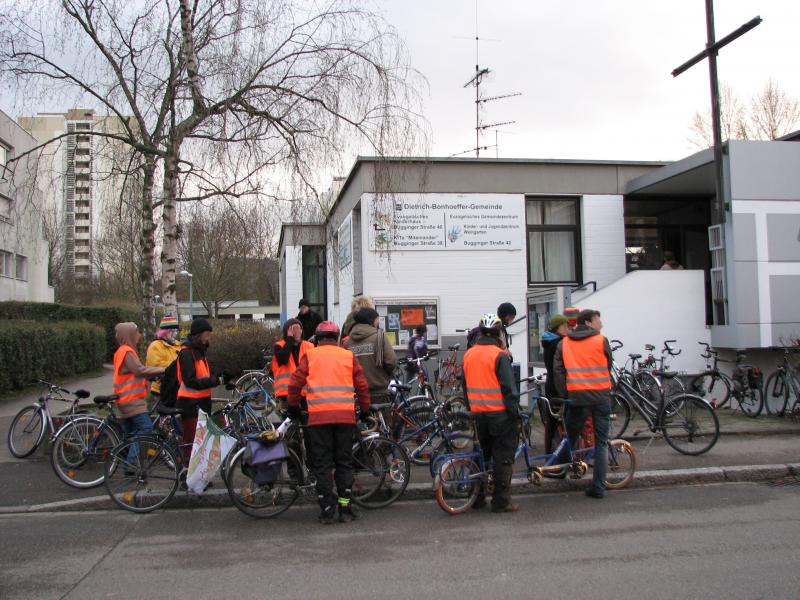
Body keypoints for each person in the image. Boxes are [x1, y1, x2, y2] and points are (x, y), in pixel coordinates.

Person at [287, 321, 372, 524]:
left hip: (318, 419)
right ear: (336, 338)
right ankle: (345, 507)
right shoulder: (348, 356)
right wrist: (365, 410)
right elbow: (362, 385)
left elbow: (295, 383)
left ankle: (327, 509)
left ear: (317, 338)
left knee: (322, 463)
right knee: (344, 463)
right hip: (344, 417)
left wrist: (293, 408)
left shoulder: (311, 355)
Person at [462, 313, 521, 512]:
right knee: (502, 457)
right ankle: (501, 501)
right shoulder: (499, 355)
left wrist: (471, 408)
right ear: (498, 334)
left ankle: (476, 498)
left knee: (480, 456)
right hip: (499, 415)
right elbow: (509, 389)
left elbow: (464, 386)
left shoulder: (469, 354)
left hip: (478, 415)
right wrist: (515, 413)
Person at [553, 309, 614, 499]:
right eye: (598, 320)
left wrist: (565, 393)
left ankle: (559, 470)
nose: (601, 324)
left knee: (570, 436)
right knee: (601, 443)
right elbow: (609, 364)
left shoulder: (565, 343)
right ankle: (598, 487)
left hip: (577, 398)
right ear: (588, 322)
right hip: (601, 397)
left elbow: (558, 371)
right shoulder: (601, 340)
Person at [112, 322, 165, 463]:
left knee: (130, 435)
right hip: (132, 400)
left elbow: (133, 373)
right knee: (146, 428)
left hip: (125, 399)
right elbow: (139, 370)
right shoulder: (127, 352)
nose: (139, 336)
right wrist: (163, 370)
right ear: (129, 335)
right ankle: (132, 463)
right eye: (137, 333)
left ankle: (129, 469)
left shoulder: (122, 351)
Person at [176, 318, 226, 462]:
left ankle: (197, 476)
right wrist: (215, 381)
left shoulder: (199, 352)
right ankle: (189, 476)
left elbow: (202, 376)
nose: (208, 337)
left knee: (200, 443)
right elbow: (190, 381)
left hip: (201, 403)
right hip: (190, 404)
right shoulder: (187, 353)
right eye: (206, 333)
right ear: (198, 334)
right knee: (192, 443)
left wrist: (218, 377)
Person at [344, 307, 397, 421]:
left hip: (356, 395)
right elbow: (391, 362)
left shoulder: (347, 343)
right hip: (379, 393)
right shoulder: (379, 337)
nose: (378, 323)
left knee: (362, 430)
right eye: (377, 320)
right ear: (372, 321)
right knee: (382, 432)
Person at [541, 314, 569, 455]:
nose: (568, 329)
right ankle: (559, 455)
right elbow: (560, 369)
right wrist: (563, 392)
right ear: (558, 327)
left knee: (551, 423)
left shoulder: (548, 341)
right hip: (558, 386)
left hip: (549, 384)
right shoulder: (560, 343)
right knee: (562, 422)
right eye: (565, 326)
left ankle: (549, 454)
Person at [272, 318, 313, 411]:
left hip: (305, 393)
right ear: (287, 331)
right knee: (289, 422)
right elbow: (283, 359)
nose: (298, 332)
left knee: (305, 420)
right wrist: (290, 340)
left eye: (299, 329)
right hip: (286, 393)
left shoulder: (309, 346)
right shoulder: (279, 346)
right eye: (294, 329)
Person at [145, 315, 181, 404]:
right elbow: (157, 367)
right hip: (161, 389)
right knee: (165, 416)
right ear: (165, 332)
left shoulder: (178, 344)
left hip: (176, 388)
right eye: (172, 331)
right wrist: (178, 365)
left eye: (176, 331)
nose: (175, 334)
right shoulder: (155, 346)